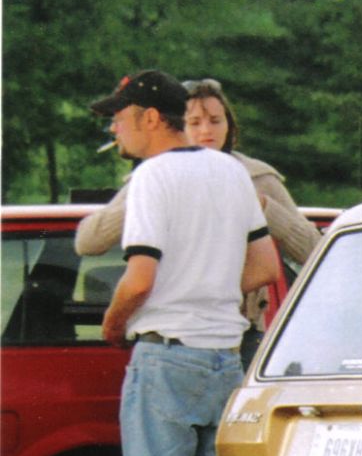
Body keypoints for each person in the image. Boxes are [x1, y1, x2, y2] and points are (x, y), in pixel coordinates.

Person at [89, 70, 281, 456]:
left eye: (118, 116)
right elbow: (266, 265)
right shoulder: (229, 171)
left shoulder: (151, 177)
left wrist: (113, 323)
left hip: (165, 356)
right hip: (224, 357)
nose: (114, 127)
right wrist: (213, 290)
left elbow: (140, 276)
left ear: (150, 117)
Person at [77, 77, 319, 362]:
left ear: (229, 126)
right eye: (194, 122)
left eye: (216, 121)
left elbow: (314, 252)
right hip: (175, 335)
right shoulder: (153, 176)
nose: (206, 131)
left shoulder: (254, 177)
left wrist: (265, 208)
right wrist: (157, 194)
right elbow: (88, 240)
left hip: (240, 331)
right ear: (178, 125)